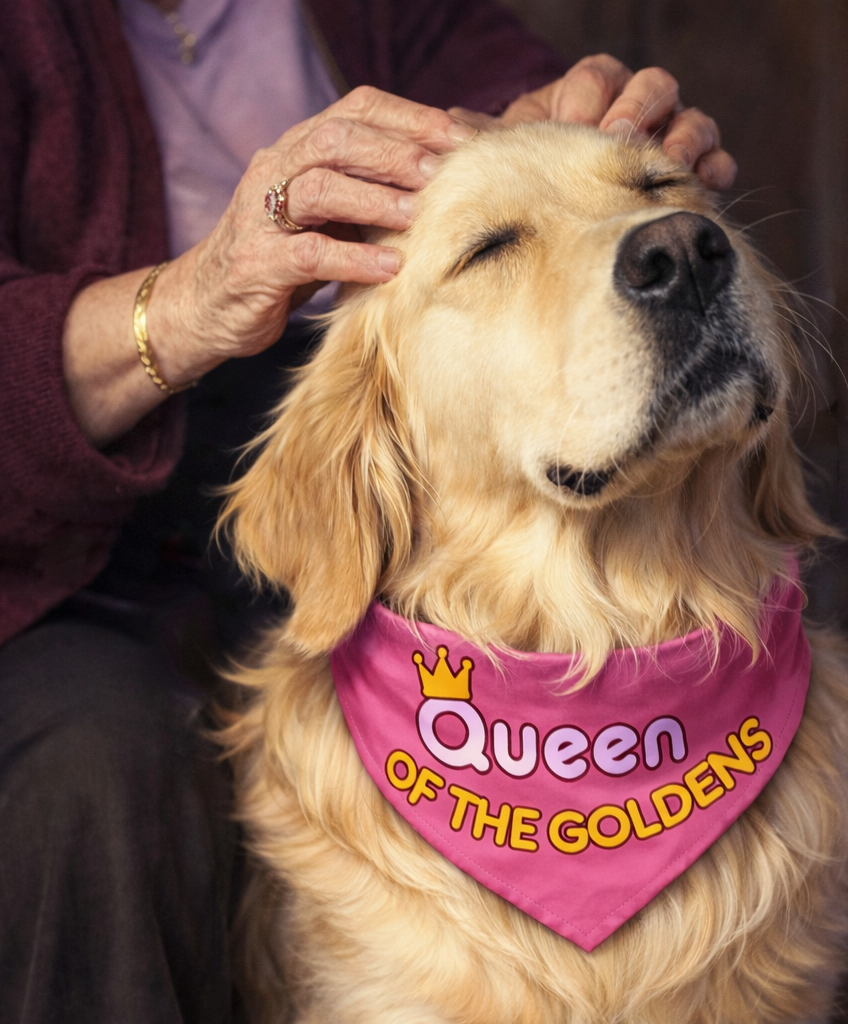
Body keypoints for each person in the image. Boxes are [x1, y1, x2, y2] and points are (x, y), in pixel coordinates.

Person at [0, 1, 737, 1020]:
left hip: (378, 478)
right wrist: (187, 303)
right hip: (47, 552)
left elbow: (496, 75)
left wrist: (573, 139)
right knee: (98, 756)